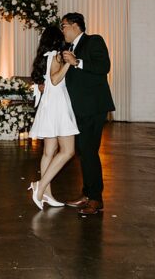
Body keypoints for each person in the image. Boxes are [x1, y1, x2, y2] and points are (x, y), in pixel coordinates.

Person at [60, 12, 114, 217]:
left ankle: (96, 199)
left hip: (93, 107)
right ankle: (87, 193)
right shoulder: (69, 48)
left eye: (64, 25)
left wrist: (77, 62)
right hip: (79, 109)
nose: (62, 29)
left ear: (75, 25)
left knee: (89, 151)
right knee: (84, 152)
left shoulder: (94, 41)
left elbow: (104, 67)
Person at [27, 24, 79, 210]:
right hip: (58, 106)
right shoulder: (58, 55)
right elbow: (56, 81)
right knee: (68, 151)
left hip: (49, 105)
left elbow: (47, 81)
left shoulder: (47, 56)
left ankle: (47, 193)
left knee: (49, 151)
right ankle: (40, 187)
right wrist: (68, 64)